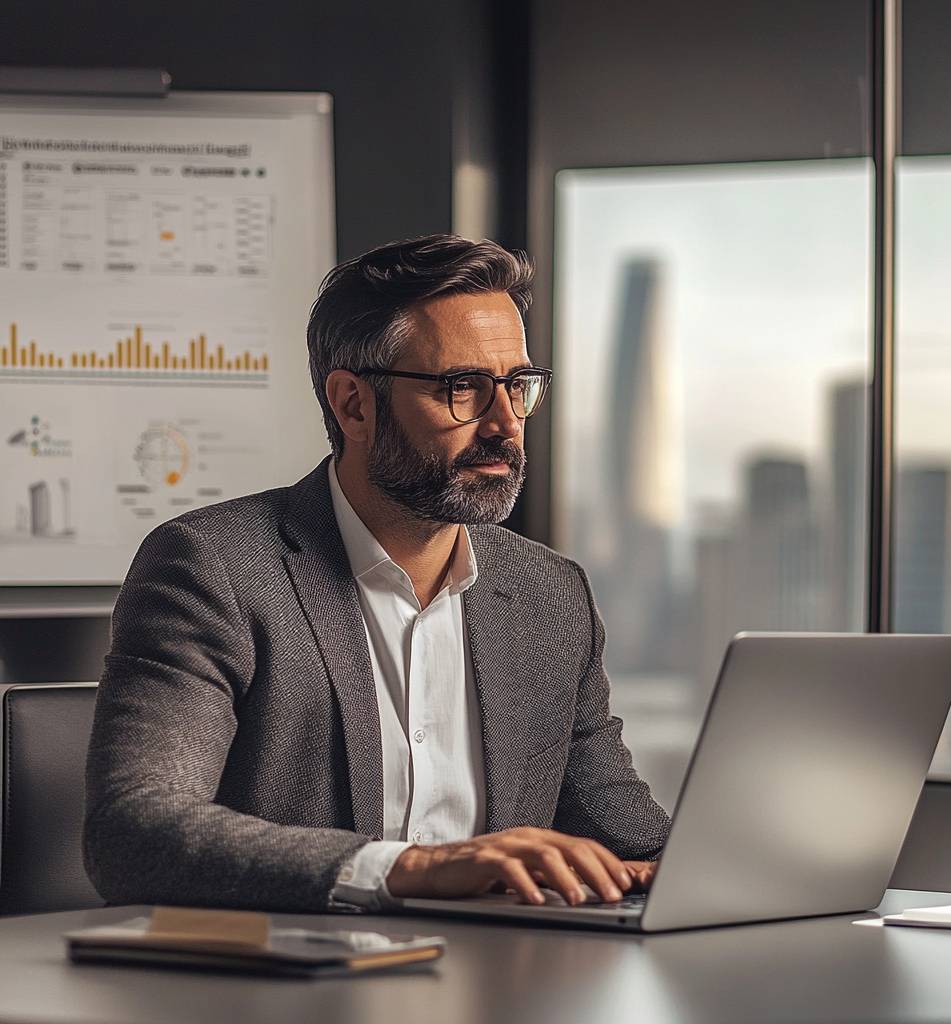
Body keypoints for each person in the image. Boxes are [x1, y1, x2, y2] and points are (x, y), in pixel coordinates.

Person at [84, 233, 670, 914]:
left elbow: (632, 840)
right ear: (353, 404)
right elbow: (134, 836)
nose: (506, 424)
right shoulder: (215, 569)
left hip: (505, 988)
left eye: (517, 386)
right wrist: (409, 869)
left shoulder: (549, 595)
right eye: (462, 388)